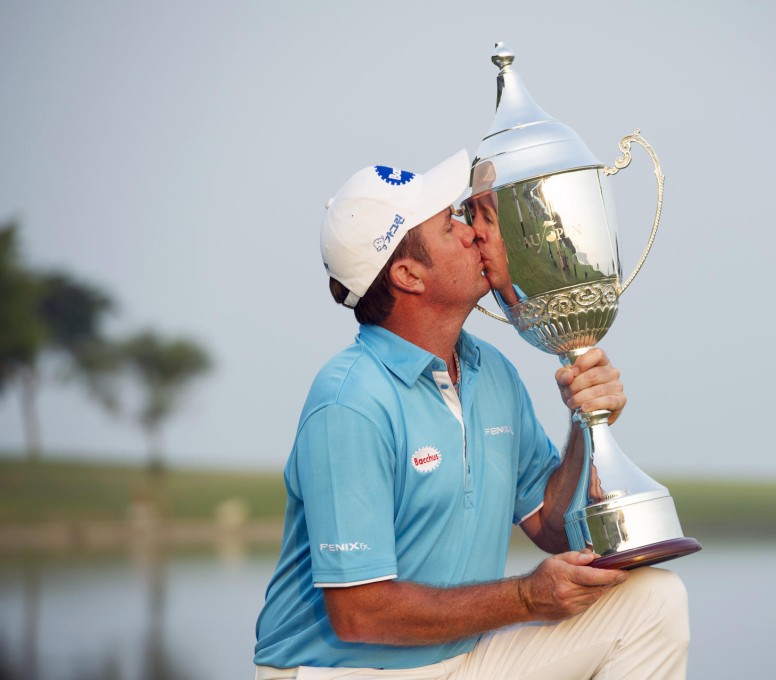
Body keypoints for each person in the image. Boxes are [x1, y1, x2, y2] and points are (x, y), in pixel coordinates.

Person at [253, 149, 690, 679]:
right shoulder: (350, 402)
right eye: (449, 225)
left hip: (461, 659)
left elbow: (552, 527)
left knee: (654, 601)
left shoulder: (491, 370)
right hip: (340, 672)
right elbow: (358, 613)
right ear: (409, 274)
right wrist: (526, 598)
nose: (472, 233)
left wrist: (584, 419)